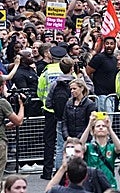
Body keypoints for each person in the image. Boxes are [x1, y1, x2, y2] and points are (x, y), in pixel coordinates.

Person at [38, 46, 66, 180]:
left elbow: (40, 90)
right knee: (64, 141)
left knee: (49, 141)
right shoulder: (68, 70)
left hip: (49, 111)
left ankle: (47, 172)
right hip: (65, 110)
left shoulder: (46, 72)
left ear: (51, 56)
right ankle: (62, 171)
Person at [45, 137, 111, 193]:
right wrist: (63, 168)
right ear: (64, 154)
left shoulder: (95, 173)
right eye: (70, 151)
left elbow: (110, 190)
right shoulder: (60, 173)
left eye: (77, 151)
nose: (73, 155)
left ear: (83, 154)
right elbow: (48, 191)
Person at [80, 115, 120, 189]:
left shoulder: (111, 147)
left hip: (109, 183)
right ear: (93, 131)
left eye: (104, 126)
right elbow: (80, 145)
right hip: (92, 183)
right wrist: (89, 125)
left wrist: (110, 127)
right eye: (98, 126)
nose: (101, 127)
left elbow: (119, 148)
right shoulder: (89, 147)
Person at [0, 76, 25, 178]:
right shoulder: (2, 103)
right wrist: (22, 105)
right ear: (1, 87)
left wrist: (4, 126)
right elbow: (18, 121)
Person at [86, 36, 118, 112]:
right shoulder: (99, 58)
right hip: (101, 96)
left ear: (115, 45)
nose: (109, 45)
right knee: (104, 121)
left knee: (110, 121)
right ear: (104, 45)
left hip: (112, 95)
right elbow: (88, 72)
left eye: (111, 43)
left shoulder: (114, 59)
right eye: (107, 43)